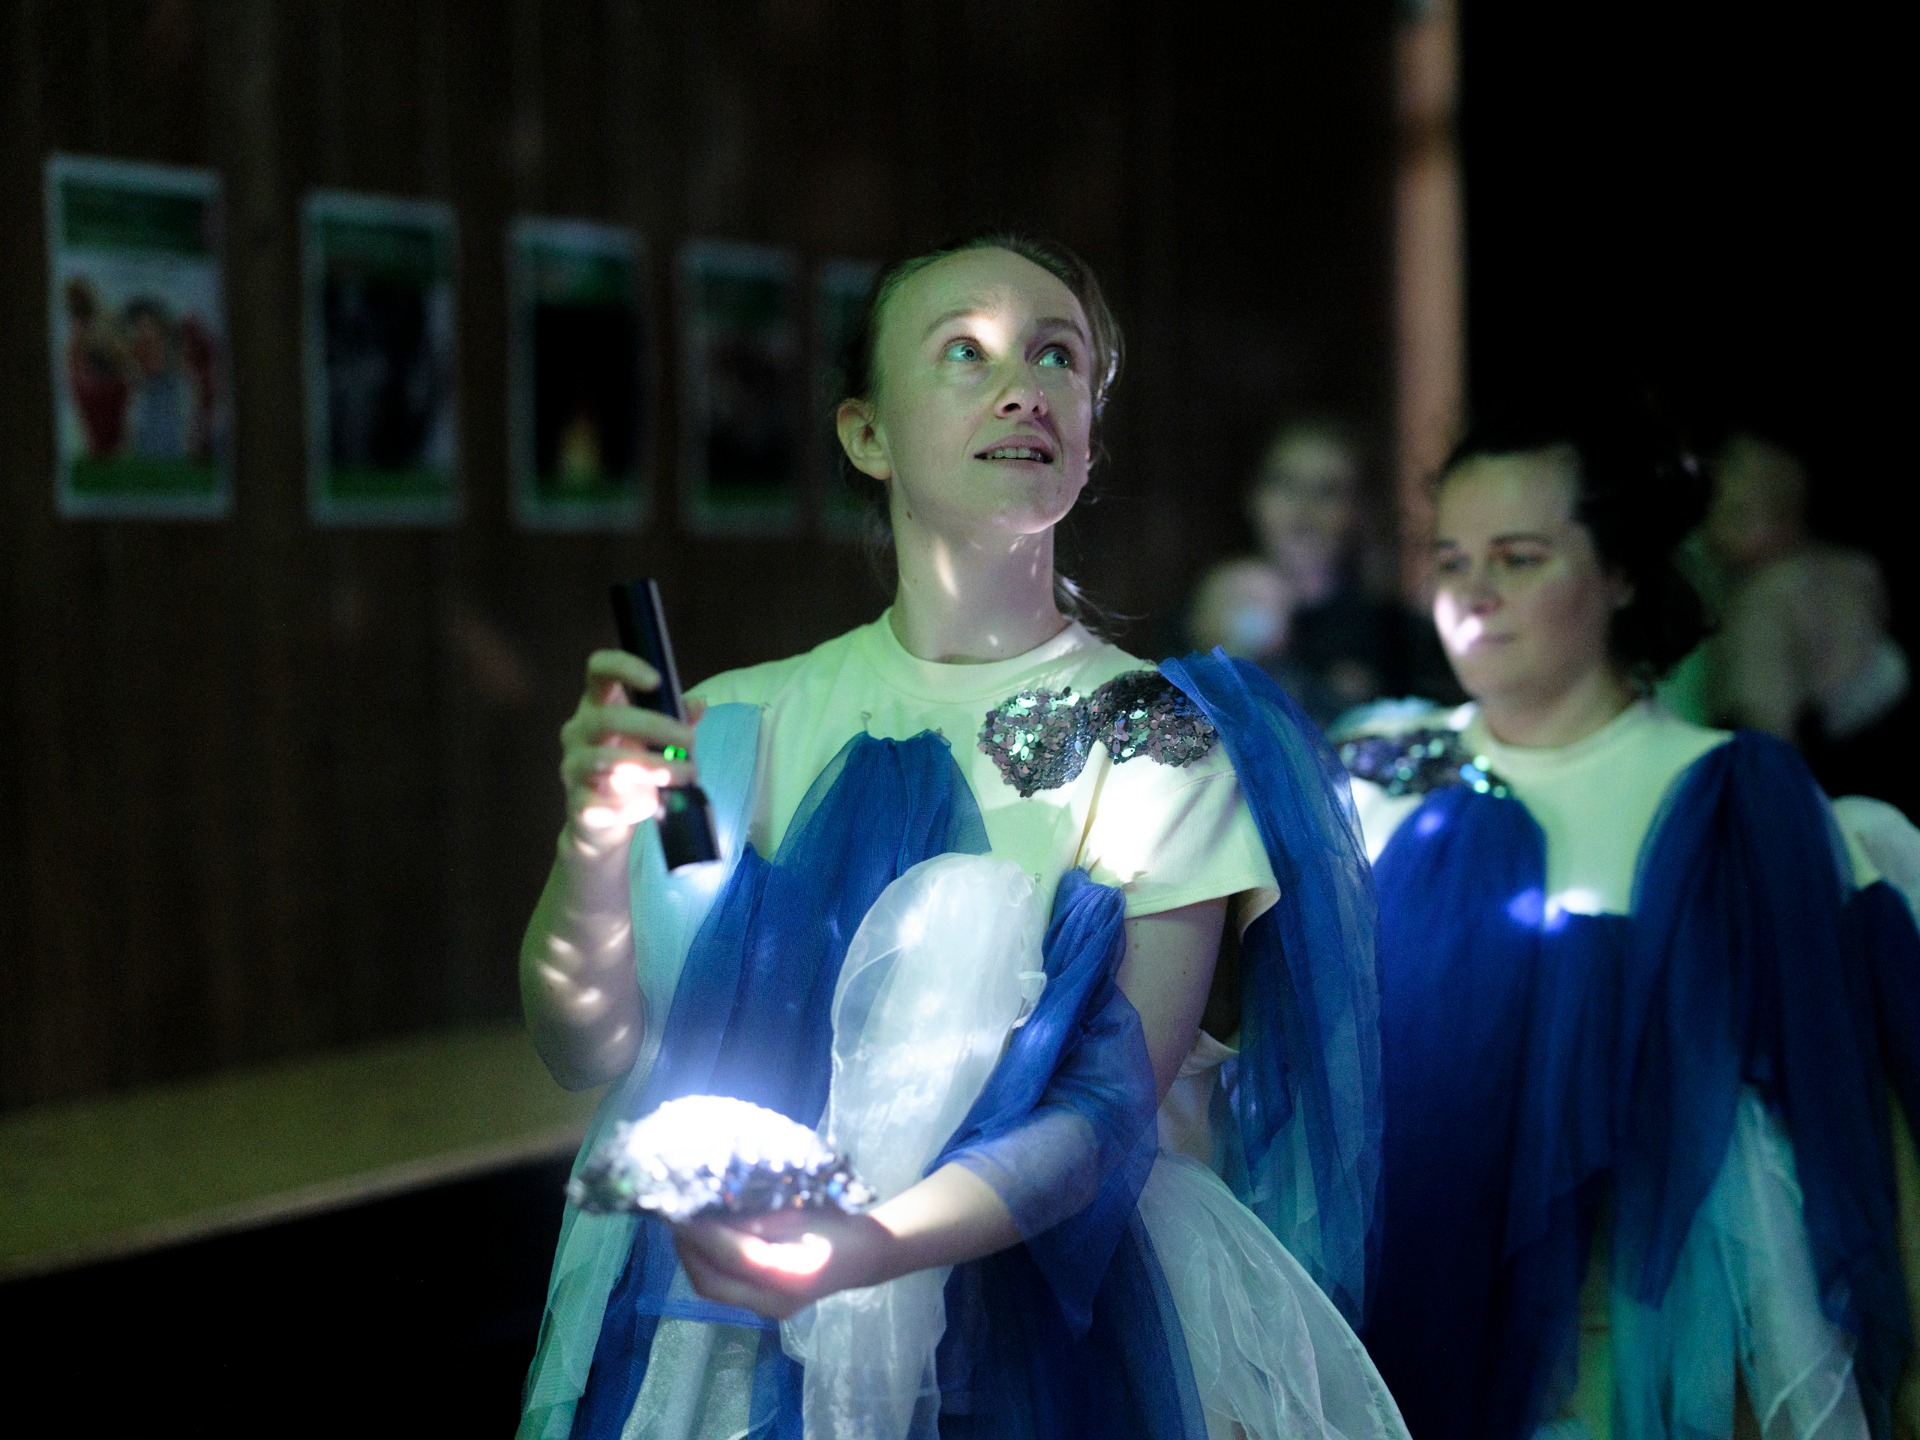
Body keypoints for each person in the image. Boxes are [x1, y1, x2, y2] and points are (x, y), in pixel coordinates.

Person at [515, 234, 1407, 1440]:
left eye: (1057, 357)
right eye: (964, 353)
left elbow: (1104, 1116)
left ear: (1088, 434)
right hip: (713, 1345)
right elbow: (585, 1045)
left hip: (1040, 1351)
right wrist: (590, 842)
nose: (1022, 387)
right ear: (866, 434)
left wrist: (868, 1245)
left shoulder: (1149, 736)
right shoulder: (730, 719)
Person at [1334, 407, 1920, 1440]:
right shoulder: (1372, 775)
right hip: (1388, 1326)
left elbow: (1850, 1135)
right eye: (1452, 559)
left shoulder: (1731, 803)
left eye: (1519, 558)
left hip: (1626, 1365)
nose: (1474, 592)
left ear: (1620, 574)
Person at [1187, 421, 1456, 728]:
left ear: (1357, 509)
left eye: (1327, 491)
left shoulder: (1395, 637)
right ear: (1253, 496)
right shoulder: (1205, 613)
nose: (1303, 508)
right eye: (1286, 484)